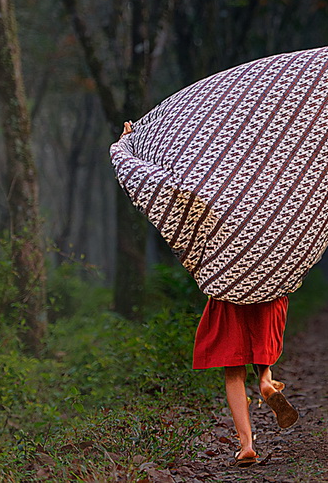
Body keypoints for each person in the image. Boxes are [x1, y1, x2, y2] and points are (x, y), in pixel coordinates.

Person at [118, 121, 298, 467]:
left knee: (233, 370)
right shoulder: (268, 182)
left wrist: (130, 141)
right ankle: (265, 380)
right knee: (262, 345)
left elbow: (163, 183)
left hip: (228, 283)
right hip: (266, 277)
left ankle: (246, 444)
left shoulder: (210, 185)